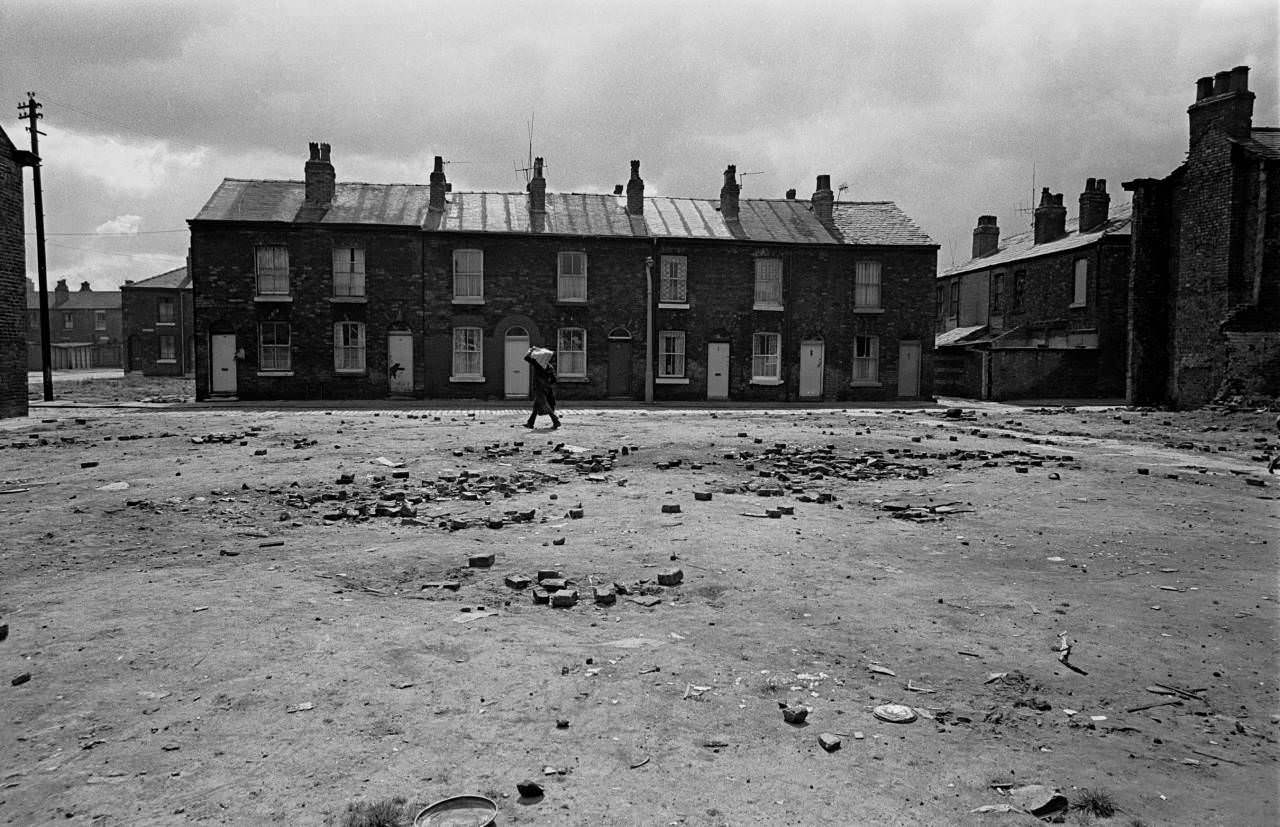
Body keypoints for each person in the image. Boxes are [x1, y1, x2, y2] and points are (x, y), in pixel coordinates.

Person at [523, 347, 561, 429]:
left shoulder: (537, 365)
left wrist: (531, 350)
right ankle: (530, 423)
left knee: (545, 404)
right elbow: (554, 379)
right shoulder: (550, 367)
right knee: (536, 406)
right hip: (547, 388)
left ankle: (556, 421)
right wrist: (547, 384)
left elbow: (526, 357)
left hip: (539, 387)